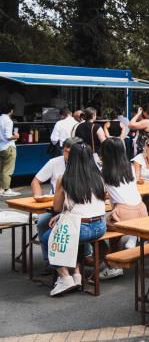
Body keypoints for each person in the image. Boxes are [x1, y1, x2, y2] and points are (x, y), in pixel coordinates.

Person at [41, 143, 106, 296]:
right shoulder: (99, 177)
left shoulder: (64, 179)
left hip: (81, 228)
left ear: (72, 157)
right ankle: (77, 275)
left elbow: (56, 207)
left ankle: (65, 277)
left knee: (47, 239)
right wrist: (62, 214)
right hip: (100, 227)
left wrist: (59, 213)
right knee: (72, 236)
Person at [100, 137, 148, 279]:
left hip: (124, 211)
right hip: (141, 209)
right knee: (112, 229)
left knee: (95, 230)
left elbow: (99, 195)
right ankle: (119, 257)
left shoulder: (104, 171)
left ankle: (112, 264)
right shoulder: (129, 167)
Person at [32, 137, 83, 266]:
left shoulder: (85, 164)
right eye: (65, 151)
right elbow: (36, 181)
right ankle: (49, 260)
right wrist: (39, 197)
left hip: (76, 208)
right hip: (56, 206)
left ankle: (83, 256)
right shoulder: (54, 163)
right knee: (43, 222)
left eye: (71, 152)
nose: (67, 155)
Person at [0, 103, 20, 196]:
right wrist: (16, 136)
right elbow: (8, 136)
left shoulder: (0, 119)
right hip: (8, 147)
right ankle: (6, 189)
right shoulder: (8, 121)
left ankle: (1, 189)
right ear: (11, 110)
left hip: (1, 147)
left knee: (2, 169)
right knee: (7, 170)